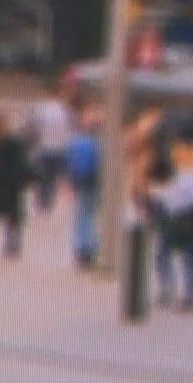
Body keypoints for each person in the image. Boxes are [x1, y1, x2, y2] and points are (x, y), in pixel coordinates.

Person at [148, 138, 193, 312]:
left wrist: (155, 204)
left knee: (165, 255)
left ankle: (170, 290)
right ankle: (191, 294)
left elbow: (168, 203)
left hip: (177, 224)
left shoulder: (179, 179)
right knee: (190, 257)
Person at [0, 113, 34, 259]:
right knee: (13, 218)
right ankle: (12, 245)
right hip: (12, 186)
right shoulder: (15, 143)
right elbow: (22, 164)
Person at [66, 103, 104, 269]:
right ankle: (90, 247)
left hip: (81, 182)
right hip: (94, 182)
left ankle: (81, 247)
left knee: (82, 214)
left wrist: (71, 182)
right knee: (91, 215)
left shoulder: (78, 142)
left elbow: (71, 163)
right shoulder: (99, 143)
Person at [29, 79, 73, 217]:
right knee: (53, 177)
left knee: (42, 176)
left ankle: (41, 201)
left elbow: (34, 126)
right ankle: (48, 202)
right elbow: (69, 130)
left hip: (44, 147)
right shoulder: (65, 111)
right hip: (59, 149)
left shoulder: (43, 109)